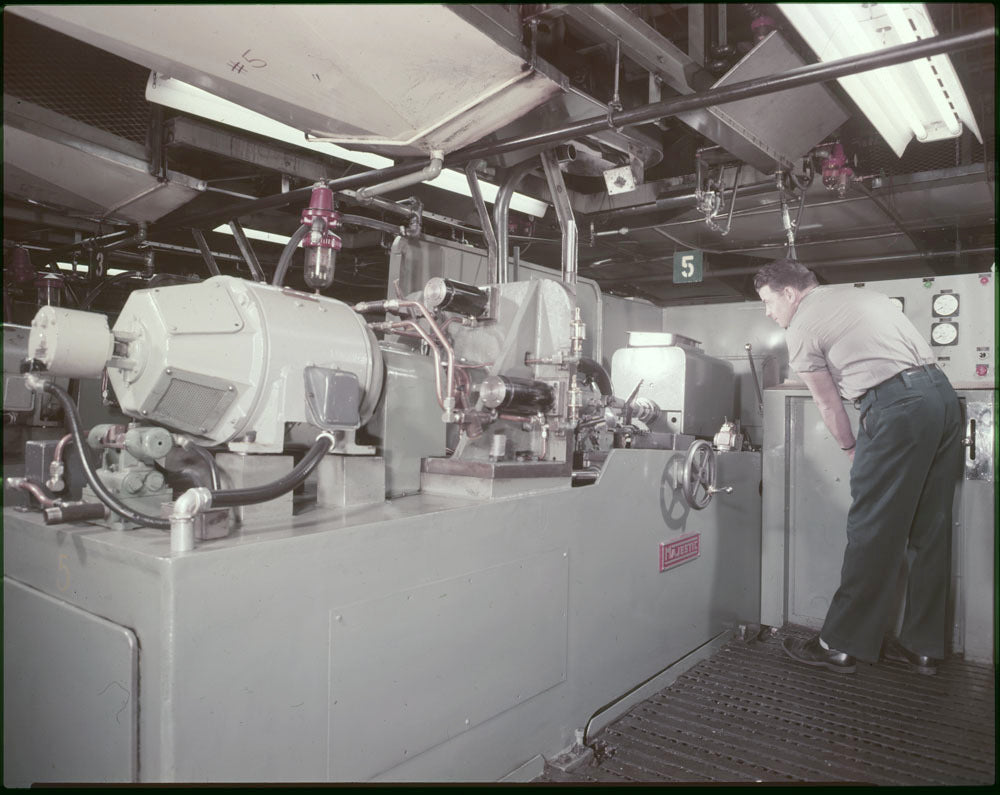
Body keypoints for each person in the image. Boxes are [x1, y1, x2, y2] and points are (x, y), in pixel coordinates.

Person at [754, 259, 963, 675]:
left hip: (896, 408)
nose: (768, 312)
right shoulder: (862, 296)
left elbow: (829, 404)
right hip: (942, 398)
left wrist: (851, 446)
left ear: (790, 293)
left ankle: (840, 644)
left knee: (871, 528)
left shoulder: (800, 329)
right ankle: (923, 648)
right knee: (931, 528)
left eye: (767, 301)